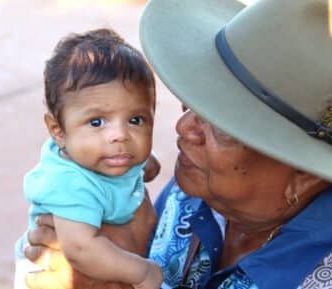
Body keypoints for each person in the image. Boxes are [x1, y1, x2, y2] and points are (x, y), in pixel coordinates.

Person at [21, 0, 332, 288]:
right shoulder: (197, 191)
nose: (184, 127)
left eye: (224, 124)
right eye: (196, 103)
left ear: (304, 174)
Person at [14, 28, 163, 289]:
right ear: (58, 132)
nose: (120, 136)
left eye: (136, 120)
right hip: (53, 274)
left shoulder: (106, 154)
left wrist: (145, 164)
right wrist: (142, 273)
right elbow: (82, 250)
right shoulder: (69, 183)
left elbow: (142, 164)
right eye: (96, 122)